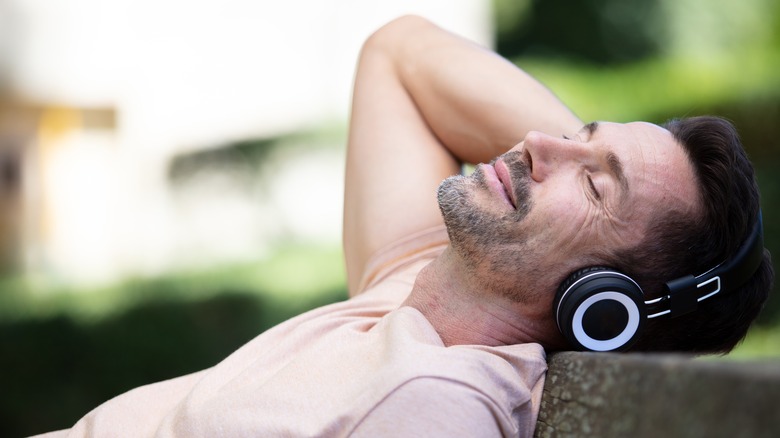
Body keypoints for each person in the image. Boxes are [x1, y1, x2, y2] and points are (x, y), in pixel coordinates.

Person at [36, 15, 772, 437]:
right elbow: (400, 51)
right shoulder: (406, 297)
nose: (538, 143)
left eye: (593, 180)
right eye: (576, 131)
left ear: (603, 305)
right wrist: (565, 178)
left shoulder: (432, 402)